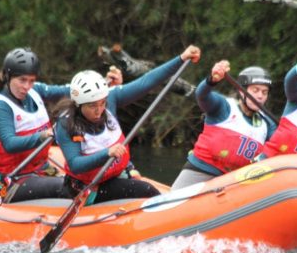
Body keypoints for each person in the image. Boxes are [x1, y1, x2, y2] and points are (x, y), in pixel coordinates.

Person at [0, 47, 122, 203]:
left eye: (31, 80)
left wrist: (104, 84)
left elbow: (71, 91)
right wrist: (41, 136)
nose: (27, 86)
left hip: (41, 169)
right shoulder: (0, 107)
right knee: (73, 186)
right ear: (8, 76)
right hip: (13, 178)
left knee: (78, 179)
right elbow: (9, 144)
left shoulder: (35, 90)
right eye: (22, 80)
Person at [54, 45, 202, 204]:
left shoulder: (110, 99)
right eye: (92, 106)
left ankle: (127, 173)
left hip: (114, 175)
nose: (99, 110)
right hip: (87, 187)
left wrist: (181, 58)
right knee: (147, 191)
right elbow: (75, 164)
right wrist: (107, 153)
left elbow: (147, 81)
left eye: (102, 103)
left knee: (143, 187)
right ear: (79, 104)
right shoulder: (66, 123)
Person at [171, 60, 277, 190]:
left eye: (264, 92)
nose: (260, 96)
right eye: (255, 90)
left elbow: (280, 146)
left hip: (233, 182)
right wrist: (212, 80)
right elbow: (201, 95)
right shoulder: (224, 107)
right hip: (201, 171)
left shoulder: (268, 123)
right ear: (242, 91)